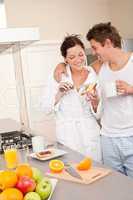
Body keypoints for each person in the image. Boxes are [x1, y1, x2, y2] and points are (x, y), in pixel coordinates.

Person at [41, 35, 101, 162]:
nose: (78, 60)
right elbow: (45, 108)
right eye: (72, 57)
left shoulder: (93, 75)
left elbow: (99, 114)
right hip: (68, 134)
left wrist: (95, 102)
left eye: (81, 54)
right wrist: (59, 93)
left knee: (96, 171)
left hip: (90, 133)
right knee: (72, 172)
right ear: (65, 59)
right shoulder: (58, 76)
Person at [86, 22, 133, 177]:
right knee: (115, 186)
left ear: (107, 43)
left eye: (95, 47)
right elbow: (77, 67)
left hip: (131, 136)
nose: (93, 52)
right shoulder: (100, 66)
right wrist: (60, 66)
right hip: (108, 138)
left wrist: (131, 89)